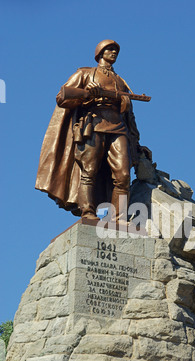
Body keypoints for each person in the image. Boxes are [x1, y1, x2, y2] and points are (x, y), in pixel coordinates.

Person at [36, 40, 143, 225]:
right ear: (100, 53)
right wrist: (86, 93)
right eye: (109, 49)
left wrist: (137, 142)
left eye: (116, 50)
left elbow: (130, 118)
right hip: (93, 125)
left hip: (118, 127)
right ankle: (88, 212)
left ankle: (119, 218)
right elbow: (62, 97)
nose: (113, 52)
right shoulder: (85, 73)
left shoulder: (121, 81)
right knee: (89, 171)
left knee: (123, 175)